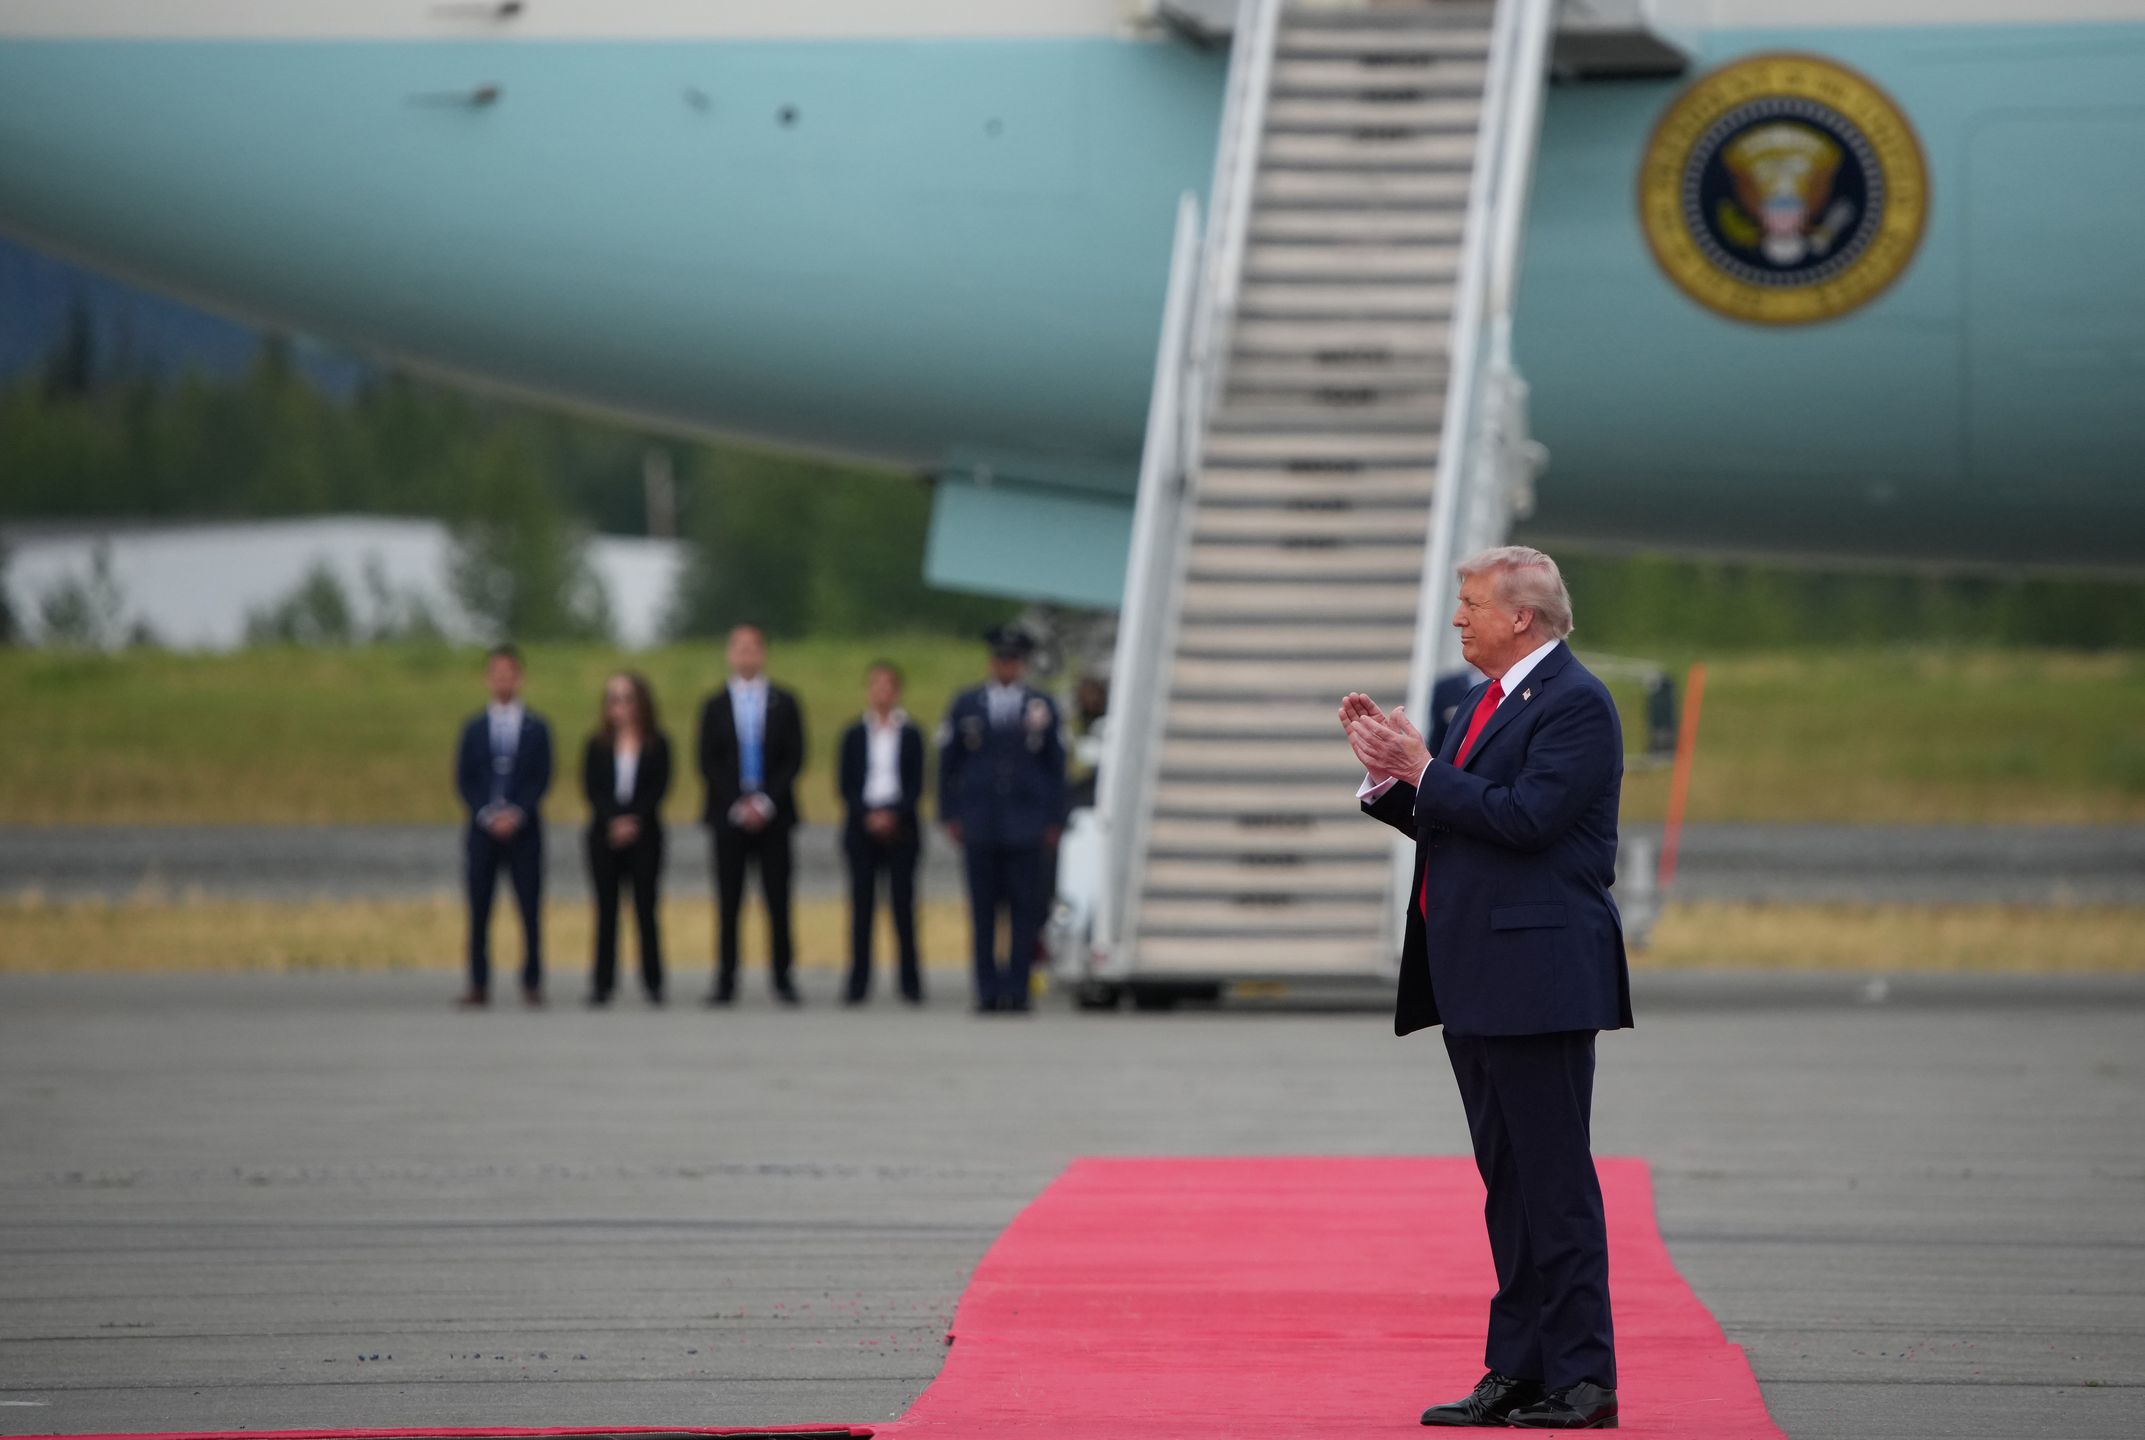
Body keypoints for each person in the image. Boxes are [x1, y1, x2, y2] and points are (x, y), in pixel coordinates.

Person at [1341, 545, 1631, 1432]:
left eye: (1470, 605)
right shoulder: (1481, 702)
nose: (1458, 618)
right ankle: (1516, 1367)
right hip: (1476, 977)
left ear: (1522, 617)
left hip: (1538, 977)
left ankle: (1583, 1379)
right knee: (1506, 1183)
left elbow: (1526, 818)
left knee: (1554, 1183)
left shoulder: (1575, 704)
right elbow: (1452, 819)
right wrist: (1386, 775)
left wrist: (1426, 770)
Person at [938, 624, 1065, 1014]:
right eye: (1000, 659)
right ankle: (987, 989)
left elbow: (1055, 766)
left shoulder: (1040, 705)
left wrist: (1054, 818)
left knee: (1024, 912)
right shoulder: (967, 704)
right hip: (981, 821)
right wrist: (950, 813)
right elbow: (947, 764)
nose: (1006, 667)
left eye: (1013, 660)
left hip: (1026, 823)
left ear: (1022, 664)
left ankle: (1018, 988)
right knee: (983, 912)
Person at [696, 624, 806, 1006]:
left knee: (777, 898)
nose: (746, 656)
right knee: (729, 899)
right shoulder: (714, 704)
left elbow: (794, 757)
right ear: (730, 654)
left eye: (752, 649)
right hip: (729, 812)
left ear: (763, 654)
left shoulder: (783, 700)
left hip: (773, 813)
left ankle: (783, 977)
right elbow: (707, 760)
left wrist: (765, 801)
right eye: (738, 649)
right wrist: (737, 801)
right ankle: (726, 978)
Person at [452, 644, 553, 1009]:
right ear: (487, 679)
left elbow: (542, 777)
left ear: (519, 677)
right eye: (496, 674)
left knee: (529, 907)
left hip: (524, 831)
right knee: (479, 907)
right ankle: (478, 982)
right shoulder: (475, 728)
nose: (503, 680)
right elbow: (464, 779)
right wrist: (486, 813)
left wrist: (517, 812)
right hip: (483, 831)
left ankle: (532, 980)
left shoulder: (536, 727)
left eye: (509, 673)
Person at [837, 661, 926, 1006]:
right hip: (862, 826)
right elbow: (845, 784)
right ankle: (858, 983)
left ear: (897, 691)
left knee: (903, 907)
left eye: (888, 686)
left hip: (901, 827)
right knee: (862, 908)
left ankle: (910, 983)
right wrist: (868, 816)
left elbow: (917, 784)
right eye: (876, 686)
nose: (882, 693)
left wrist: (894, 815)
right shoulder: (854, 734)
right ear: (868, 691)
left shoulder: (912, 733)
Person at [582, 671, 670, 1007]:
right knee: (606, 910)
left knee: (646, 909)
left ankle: (653, 981)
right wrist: (613, 820)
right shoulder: (597, 745)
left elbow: (658, 787)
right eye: (613, 699)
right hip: (604, 836)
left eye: (626, 698)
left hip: (645, 834)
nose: (619, 706)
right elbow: (592, 788)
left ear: (641, 702)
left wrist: (633, 819)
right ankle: (602, 983)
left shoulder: (657, 743)